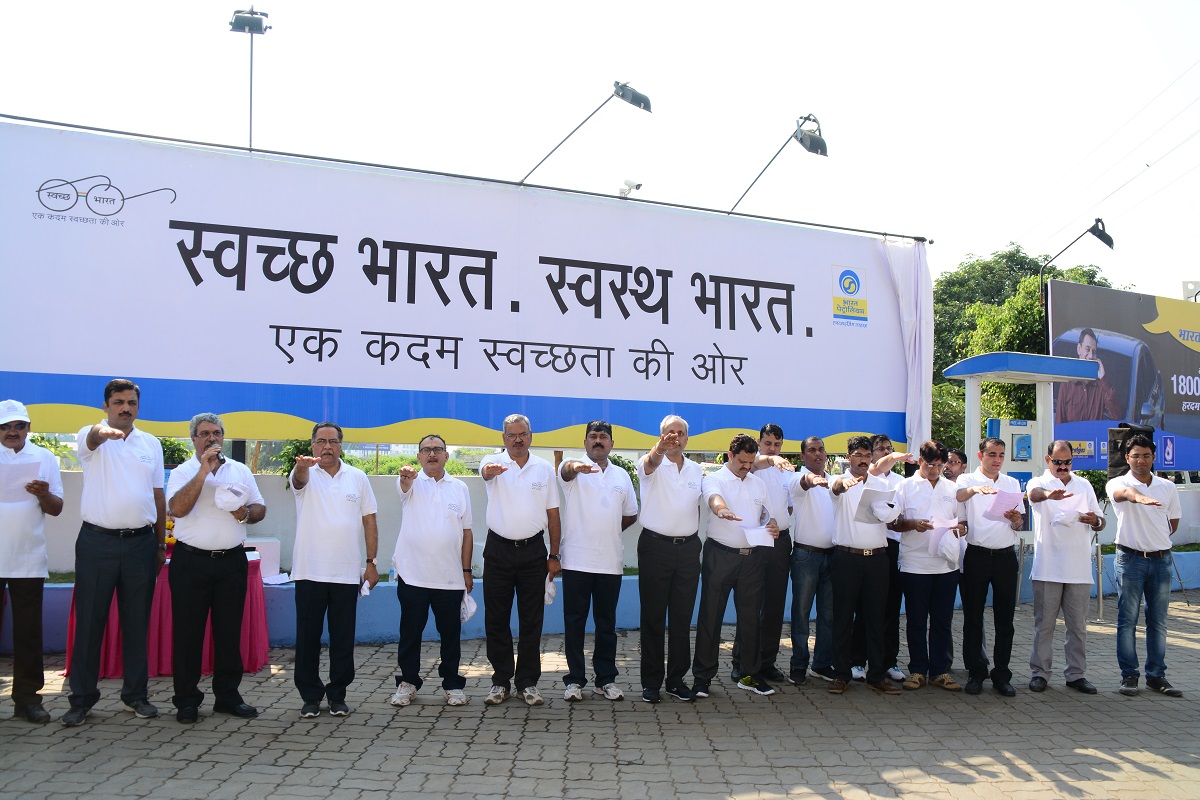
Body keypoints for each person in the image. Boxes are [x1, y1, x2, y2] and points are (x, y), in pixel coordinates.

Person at [64, 379, 166, 727]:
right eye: (119, 402)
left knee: (137, 624)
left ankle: (135, 696)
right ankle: (81, 699)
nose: (126, 408)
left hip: (140, 544)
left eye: (132, 403)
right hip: (97, 544)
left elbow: (158, 497)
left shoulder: (150, 444)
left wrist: (158, 544)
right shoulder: (90, 438)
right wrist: (101, 432)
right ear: (106, 406)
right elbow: (92, 436)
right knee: (90, 624)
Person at [165, 413, 266, 723]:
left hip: (231, 562)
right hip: (190, 562)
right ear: (194, 439)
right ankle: (186, 700)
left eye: (217, 433)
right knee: (187, 634)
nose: (212, 438)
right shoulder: (183, 471)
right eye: (205, 434)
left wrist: (245, 512)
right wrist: (203, 472)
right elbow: (177, 509)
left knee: (228, 632)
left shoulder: (240, 470)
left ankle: (227, 696)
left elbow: (260, 508)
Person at [290, 422, 380, 717]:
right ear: (313, 445)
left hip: (345, 573)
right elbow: (299, 480)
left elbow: (369, 520)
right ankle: (310, 696)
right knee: (307, 640)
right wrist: (303, 467)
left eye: (332, 441)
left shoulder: (357, 477)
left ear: (341, 445)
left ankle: (338, 694)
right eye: (320, 441)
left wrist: (371, 563)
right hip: (309, 572)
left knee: (343, 639)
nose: (326, 446)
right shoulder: (303, 474)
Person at [479, 414, 561, 706]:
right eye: (511, 435)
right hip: (498, 551)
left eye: (522, 434)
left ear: (530, 435)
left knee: (532, 621)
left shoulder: (543, 469)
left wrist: (554, 554)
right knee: (496, 619)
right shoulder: (493, 462)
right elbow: (485, 473)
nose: (517, 439)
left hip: (533, 553)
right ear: (504, 438)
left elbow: (553, 513)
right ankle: (500, 681)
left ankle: (527, 682)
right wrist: (489, 471)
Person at [692, 434, 780, 697]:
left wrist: (772, 524)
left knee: (751, 618)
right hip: (720, 556)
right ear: (730, 456)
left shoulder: (757, 483)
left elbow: (767, 512)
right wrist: (722, 510)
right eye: (742, 461)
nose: (746, 466)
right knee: (711, 616)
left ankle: (749, 675)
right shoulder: (714, 478)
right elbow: (713, 498)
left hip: (752, 558)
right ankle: (702, 678)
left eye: (750, 462)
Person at [390, 434, 473, 708]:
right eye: (426, 450)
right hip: (413, 574)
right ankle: (408, 683)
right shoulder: (411, 484)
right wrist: (405, 478)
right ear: (419, 457)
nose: (432, 454)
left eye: (438, 449)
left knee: (450, 635)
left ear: (447, 455)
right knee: (410, 633)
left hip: (449, 577)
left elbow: (467, 532)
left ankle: (452, 684)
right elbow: (403, 486)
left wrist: (466, 570)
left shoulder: (459, 487)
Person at [558, 421, 638, 702]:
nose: (598, 441)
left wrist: (610, 530)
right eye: (593, 437)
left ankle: (605, 679)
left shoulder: (621, 476)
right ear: (585, 442)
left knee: (606, 625)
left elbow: (631, 514)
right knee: (575, 623)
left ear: (612, 444)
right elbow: (565, 471)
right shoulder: (572, 469)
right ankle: (574, 680)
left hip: (609, 562)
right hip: (576, 561)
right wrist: (575, 468)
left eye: (604, 437)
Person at [827, 436, 913, 695]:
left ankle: (877, 674)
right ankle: (841, 674)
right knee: (842, 617)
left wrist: (886, 511)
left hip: (877, 559)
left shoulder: (883, 485)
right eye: (858, 455)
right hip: (846, 558)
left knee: (876, 617)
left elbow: (892, 517)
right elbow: (837, 488)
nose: (863, 460)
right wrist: (845, 483)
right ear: (849, 456)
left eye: (867, 456)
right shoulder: (837, 479)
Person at [0, 400, 63, 724]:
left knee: (28, 633)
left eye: (19, 426)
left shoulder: (44, 457)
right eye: (6, 426)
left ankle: (27, 699)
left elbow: (56, 508)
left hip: (27, 557)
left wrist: (41, 493)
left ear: (28, 428)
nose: (13, 432)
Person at [1108, 434, 1183, 697]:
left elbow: (1172, 523)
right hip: (1130, 560)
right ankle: (1129, 676)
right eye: (1136, 456)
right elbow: (1122, 494)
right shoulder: (1118, 482)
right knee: (1127, 620)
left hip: (1161, 561)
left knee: (1158, 621)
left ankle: (1156, 676)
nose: (1141, 460)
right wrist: (1137, 497)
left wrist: (1156, 541)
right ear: (1127, 458)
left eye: (1146, 455)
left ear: (1154, 457)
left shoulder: (1167, 487)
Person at [1026, 440, 1103, 695]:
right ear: (1048, 460)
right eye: (1057, 462)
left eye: (1067, 462)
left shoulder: (1084, 484)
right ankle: (1040, 673)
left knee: (1078, 626)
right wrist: (1050, 495)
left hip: (1078, 567)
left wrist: (1095, 520)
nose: (1063, 467)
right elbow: (1033, 496)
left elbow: (1099, 520)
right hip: (1048, 566)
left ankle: (1076, 674)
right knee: (1045, 625)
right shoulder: (1038, 482)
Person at [636, 415, 703, 704]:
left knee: (681, 619)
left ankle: (676, 680)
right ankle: (651, 683)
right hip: (655, 548)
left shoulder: (697, 470)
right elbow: (651, 463)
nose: (675, 437)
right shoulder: (649, 462)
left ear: (687, 438)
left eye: (680, 433)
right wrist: (659, 449)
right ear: (661, 436)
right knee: (652, 617)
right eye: (669, 433)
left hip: (688, 551)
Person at [890, 440, 963, 692]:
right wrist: (913, 524)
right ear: (920, 460)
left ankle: (940, 671)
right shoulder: (905, 486)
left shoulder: (951, 488)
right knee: (916, 620)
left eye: (941, 466)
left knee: (942, 620)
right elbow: (893, 523)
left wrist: (960, 528)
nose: (935, 471)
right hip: (914, 564)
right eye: (931, 465)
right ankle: (918, 670)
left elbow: (962, 521)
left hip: (945, 565)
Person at [956, 437, 1024, 697]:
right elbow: (959, 495)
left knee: (1004, 619)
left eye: (1001, 455)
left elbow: (1018, 523)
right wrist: (976, 490)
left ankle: (1002, 674)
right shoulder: (967, 480)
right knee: (973, 618)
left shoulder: (1011, 483)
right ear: (980, 455)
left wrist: (1017, 519)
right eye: (992, 454)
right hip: (977, 555)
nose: (996, 460)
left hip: (1006, 556)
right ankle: (975, 672)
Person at [732, 424, 796, 685]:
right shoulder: (753, 466)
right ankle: (742, 663)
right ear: (760, 443)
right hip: (756, 542)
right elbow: (759, 463)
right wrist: (770, 458)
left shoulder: (785, 473)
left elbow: (789, 508)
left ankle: (767, 662)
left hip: (780, 542)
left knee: (774, 605)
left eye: (777, 445)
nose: (773, 448)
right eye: (768, 443)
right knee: (750, 606)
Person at [850, 434, 905, 683]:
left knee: (890, 609)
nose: (884, 452)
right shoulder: (864, 478)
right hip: (864, 548)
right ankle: (858, 661)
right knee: (864, 610)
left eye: (888, 448)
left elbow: (900, 515)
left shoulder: (900, 482)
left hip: (890, 548)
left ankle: (888, 661)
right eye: (879, 449)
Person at [788, 436, 836, 685]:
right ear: (802, 456)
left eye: (821, 450)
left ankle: (822, 664)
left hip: (833, 556)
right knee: (801, 614)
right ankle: (798, 664)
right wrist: (812, 479)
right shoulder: (797, 479)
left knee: (828, 616)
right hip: (806, 557)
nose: (817, 454)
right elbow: (804, 483)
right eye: (811, 450)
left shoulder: (835, 482)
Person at [1055, 327, 1123, 423]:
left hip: (1094, 438)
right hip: (1071, 438)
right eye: (1087, 349)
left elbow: (1116, 416)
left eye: (1094, 352)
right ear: (1079, 349)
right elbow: (1059, 422)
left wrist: (1103, 378)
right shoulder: (1067, 384)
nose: (1091, 356)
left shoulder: (1100, 387)